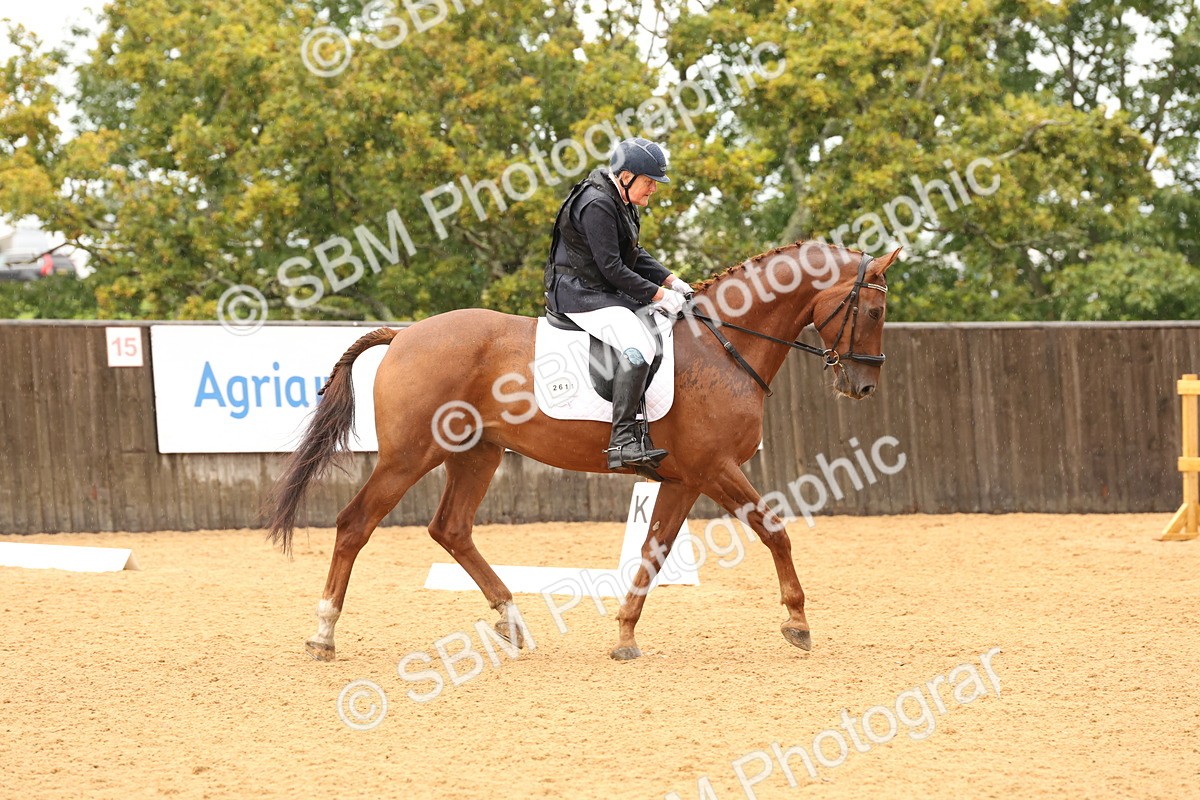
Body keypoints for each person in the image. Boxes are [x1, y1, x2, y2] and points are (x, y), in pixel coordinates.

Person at [543, 137, 694, 470]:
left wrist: (672, 280)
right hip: (578, 292)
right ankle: (622, 440)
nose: (654, 189)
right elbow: (612, 268)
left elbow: (633, 255)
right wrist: (660, 296)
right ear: (626, 176)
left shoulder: (621, 200)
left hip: (598, 287)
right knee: (638, 344)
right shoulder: (597, 203)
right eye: (650, 181)